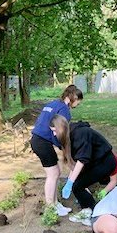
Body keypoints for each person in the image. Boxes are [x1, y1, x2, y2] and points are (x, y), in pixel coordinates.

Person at [30, 85, 83, 216]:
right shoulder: (64, 111)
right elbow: (60, 134)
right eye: (78, 101)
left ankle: (55, 203)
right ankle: (50, 207)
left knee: (56, 172)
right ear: (73, 98)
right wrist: (66, 149)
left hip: (37, 139)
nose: (78, 103)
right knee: (53, 174)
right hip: (42, 142)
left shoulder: (53, 103)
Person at [58, 119, 117, 224]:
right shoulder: (70, 136)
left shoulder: (80, 134)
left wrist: (71, 182)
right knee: (77, 184)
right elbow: (75, 163)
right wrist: (69, 181)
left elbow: (81, 160)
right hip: (95, 162)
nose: (54, 134)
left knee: (77, 186)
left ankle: (90, 213)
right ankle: (90, 209)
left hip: (104, 162)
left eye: (54, 130)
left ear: (61, 128)